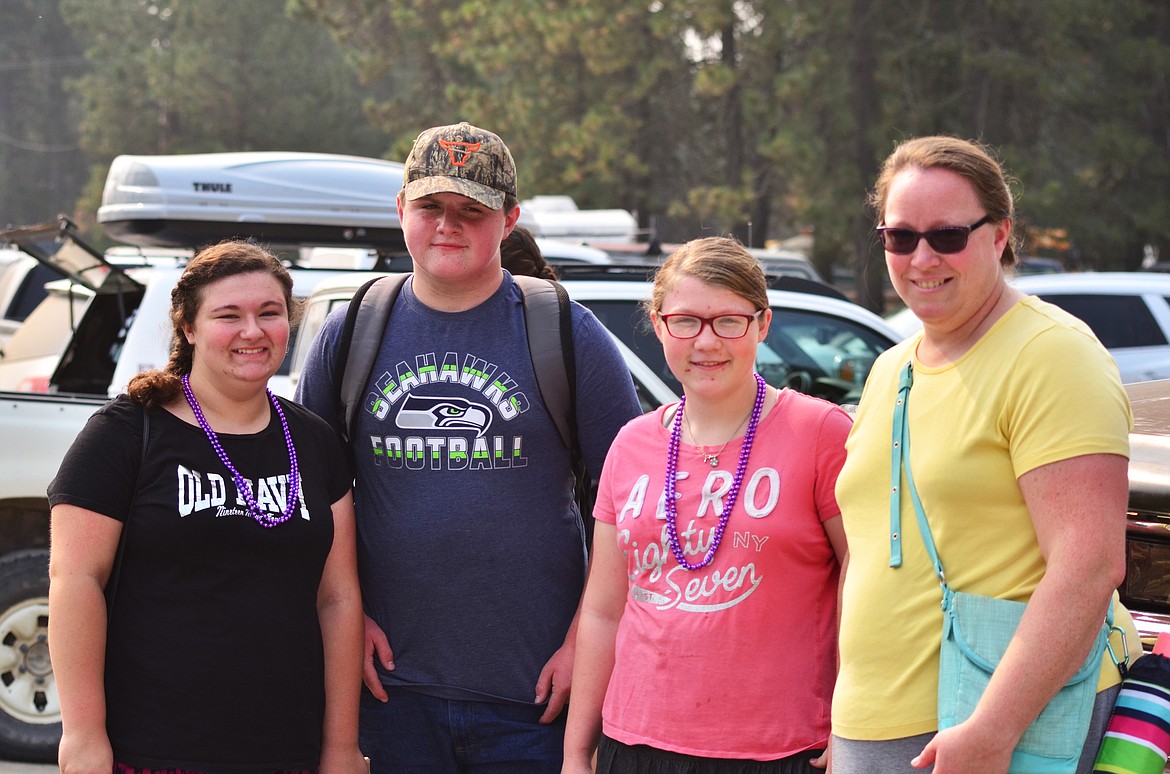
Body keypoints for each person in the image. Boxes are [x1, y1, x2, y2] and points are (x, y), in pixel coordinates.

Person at [294, 121, 642, 773]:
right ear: (401, 211)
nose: (447, 225)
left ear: (508, 220)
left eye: (471, 210)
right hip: (389, 696)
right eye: (430, 206)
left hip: (535, 698)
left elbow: (631, 506)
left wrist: (586, 643)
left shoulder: (565, 330)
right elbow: (308, 500)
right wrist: (344, 619)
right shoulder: (353, 330)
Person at [830, 136, 1142, 774]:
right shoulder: (891, 368)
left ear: (999, 235)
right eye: (899, 237)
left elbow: (1089, 564)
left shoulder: (1051, 354)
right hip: (876, 728)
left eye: (947, 236)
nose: (922, 258)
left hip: (986, 729)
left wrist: (993, 730)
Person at [47, 241, 366, 774]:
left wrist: (340, 746)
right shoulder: (127, 432)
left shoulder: (315, 441)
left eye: (269, 313)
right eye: (228, 315)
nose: (252, 331)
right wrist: (82, 737)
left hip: (286, 750)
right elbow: (74, 580)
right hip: (150, 750)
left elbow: (337, 599)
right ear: (189, 328)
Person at [563, 236, 851, 773]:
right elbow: (604, 612)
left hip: (781, 749)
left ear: (763, 325)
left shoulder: (821, 434)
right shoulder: (631, 444)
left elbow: (864, 585)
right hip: (638, 745)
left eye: (729, 322)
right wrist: (577, 752)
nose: (707, 342)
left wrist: (852, 720)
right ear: (658, 324)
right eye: (686, 321)